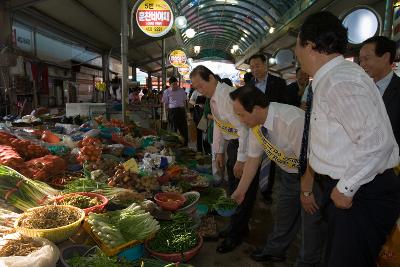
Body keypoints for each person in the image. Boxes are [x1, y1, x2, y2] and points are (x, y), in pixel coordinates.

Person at [295, 11, 400, 267]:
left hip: (361, 192)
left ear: (309, 46)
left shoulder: (340, 81)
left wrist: (346, 188)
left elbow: (377, 141)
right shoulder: (333, 78)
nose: (296, 52)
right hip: (351, 188)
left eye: (297, 45)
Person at [230, 85, 324, 266]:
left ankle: (306, 263)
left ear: (256, 109)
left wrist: (306, 192)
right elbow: (253, 159)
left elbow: (309, 161)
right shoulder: (257, 125)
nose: (239, 120)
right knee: (284, 215)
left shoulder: (292, 121)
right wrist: (240, 191)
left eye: (241, 114)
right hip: (289, 175)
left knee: (311, 226)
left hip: (314, 177)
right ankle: (275, 251)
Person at [190, 65, 257, 253]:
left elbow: (244, 128)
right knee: (234, 189)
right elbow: (220, 125)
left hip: (247, 146)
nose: (199, 90)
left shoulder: (228, 96)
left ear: (211, 78)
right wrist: (219, 151)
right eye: (195, 87)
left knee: (242, 191)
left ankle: (236, 235)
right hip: (234, 145)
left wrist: (242, 160)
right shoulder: (214, 98)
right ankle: (235, 228)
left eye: (201, 85)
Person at [249, 54, 289, 204]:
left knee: (270, 158)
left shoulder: (278, 83)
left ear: (265, 65)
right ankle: (253, 185)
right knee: (254, 156)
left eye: (257, 66)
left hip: (272, 127)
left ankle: (267, 190)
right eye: (252, 67)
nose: (254, 70)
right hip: (254, 128)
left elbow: (284, 105)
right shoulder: (249, 85)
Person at [359, 36, 400, 149]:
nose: (362, 64)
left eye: (366, 58)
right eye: (360, 60)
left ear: (386, 57)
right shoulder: (361, 89)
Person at [162, 77, 189, 146]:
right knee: (173, 130)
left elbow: (184, 102)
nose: (175, 86)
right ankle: (174, 146)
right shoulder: (166, 92)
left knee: (184, 129)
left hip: (181, 111)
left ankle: (185, 145)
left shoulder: (181, 91)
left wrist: (186, 113)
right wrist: (165, 116)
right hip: (172, 112)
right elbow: (165, 104)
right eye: (173, 84)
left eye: (176, 84)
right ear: (170, 84)